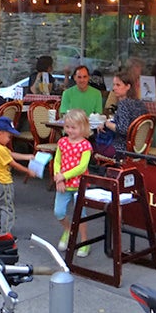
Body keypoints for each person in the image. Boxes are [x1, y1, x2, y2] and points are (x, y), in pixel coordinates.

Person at [53, 109, 93, 258]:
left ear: (83, 127)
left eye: (73, 127)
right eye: (67, 127)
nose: (69, 130)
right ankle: (68, 230)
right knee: (59, 212)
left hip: (79, 185)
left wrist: (63, 175)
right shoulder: (62, 142)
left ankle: (84, 240)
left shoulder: (85, 146)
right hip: (63, 184)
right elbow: (57, 160)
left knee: (80, 214)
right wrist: (59, 177)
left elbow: (82, 167)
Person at [0, 116, 36, 235]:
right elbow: (13, 164)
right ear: (0, 133)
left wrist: (27, 156)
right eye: (9, 136)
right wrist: (28, 170)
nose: (10, 139)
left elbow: (10, 154)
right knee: (8, 209)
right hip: (4, 182)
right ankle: (5, 235)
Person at [98, 71, 149, 157]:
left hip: (122, 148)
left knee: (93, 147)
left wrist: (106, 123)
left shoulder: (124, 104)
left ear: (128, 86)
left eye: (118, 85)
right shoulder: (140, 104)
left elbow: (123, 129)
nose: (114, 88)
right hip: (139, 148)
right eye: (114, 85)